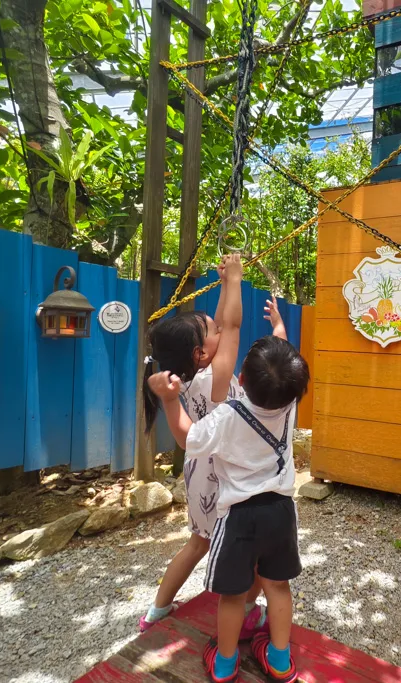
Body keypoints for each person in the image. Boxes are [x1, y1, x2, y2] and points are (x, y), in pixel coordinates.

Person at [148, 253, 308, 683]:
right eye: (211, 330)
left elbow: (225, 330)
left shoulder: (193, 377)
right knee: (253, 573)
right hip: (229, 489)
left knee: (200, 545)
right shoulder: (221, 386)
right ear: (203, 352)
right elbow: (233, 328)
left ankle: (159, 611)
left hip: (204, 470)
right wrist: (234, 280)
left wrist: (231, 292)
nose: (221, 328)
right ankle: (263, 639)